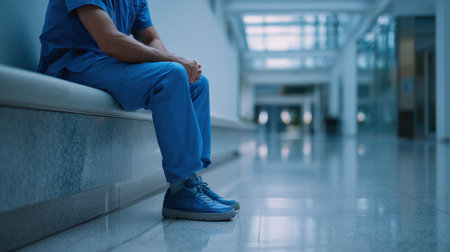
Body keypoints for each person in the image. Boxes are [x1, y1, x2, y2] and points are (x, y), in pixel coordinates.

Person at [38, 0, 239, 221]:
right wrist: (173, 61)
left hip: (106, 64)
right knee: (171, 74)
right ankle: (180, 190)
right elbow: (109, 40)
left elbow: (151, 38)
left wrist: (173, 64)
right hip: (73, 65)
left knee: (197, 84)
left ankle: (191, 181)